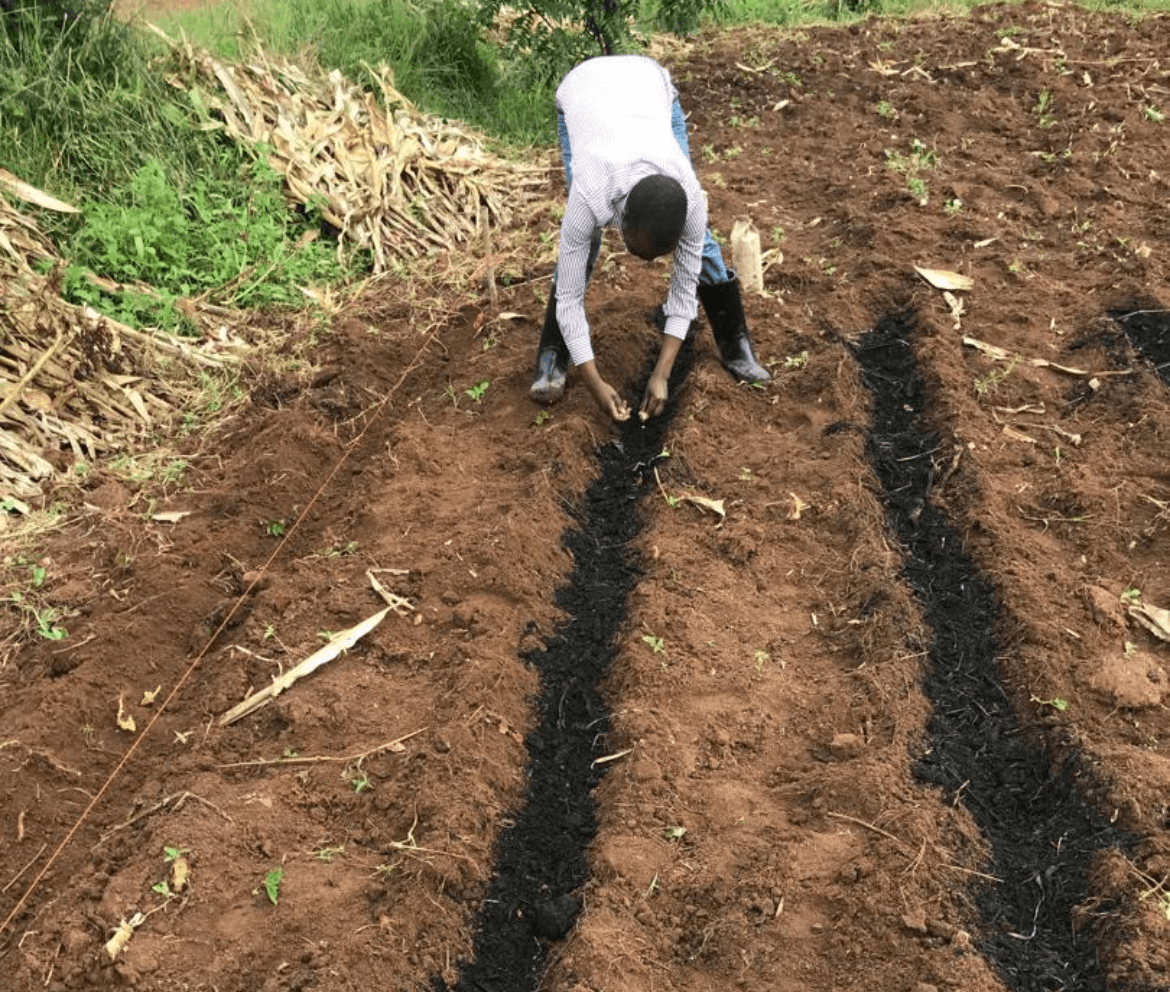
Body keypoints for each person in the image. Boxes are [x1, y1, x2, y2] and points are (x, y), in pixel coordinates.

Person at [530, 54, 770, 423]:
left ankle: (735, 344)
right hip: (583, 94)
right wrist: (594, 381)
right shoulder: (589, 192)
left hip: (651, 91)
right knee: (583, 248)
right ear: (621, 220)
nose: (645, 264)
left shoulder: (689, 198)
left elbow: (683, 288)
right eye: (638, 250)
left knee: (701, 245)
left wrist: (662, 373)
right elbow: (570, 298)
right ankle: (553, 353)